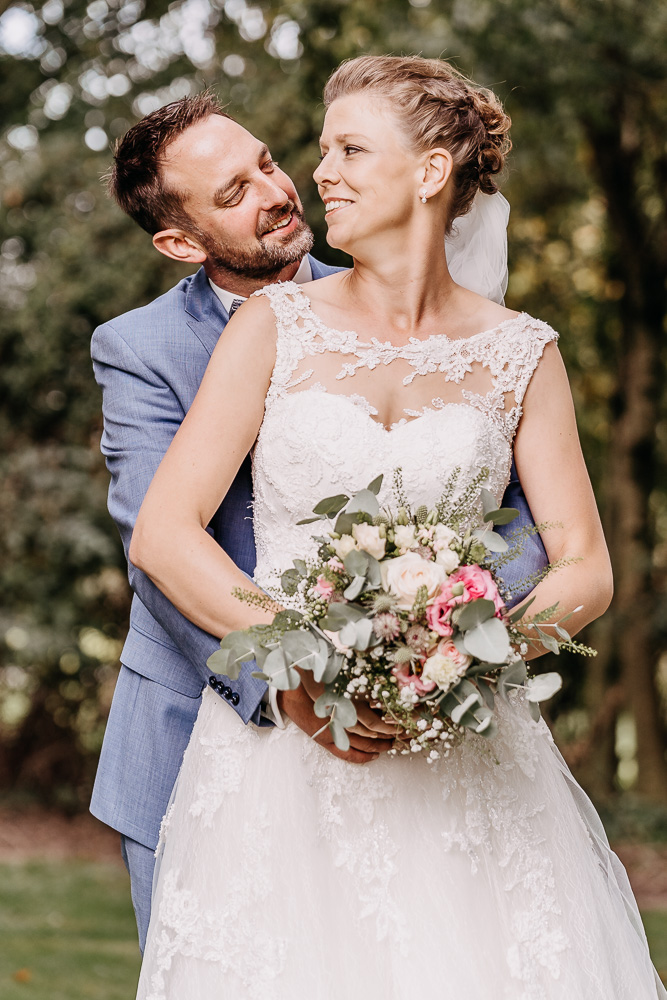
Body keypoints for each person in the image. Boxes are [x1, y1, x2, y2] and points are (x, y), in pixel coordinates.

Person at [91, 89, 546, 952]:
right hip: (202, 724)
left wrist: (441, 638)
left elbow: (515, 513)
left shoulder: (412, 306)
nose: (276, 191)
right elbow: (158, 546)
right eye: (234, 193)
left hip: (414, 726)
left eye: (265, 162)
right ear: (181, 243)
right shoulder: (139, 348)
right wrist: (291, 677)